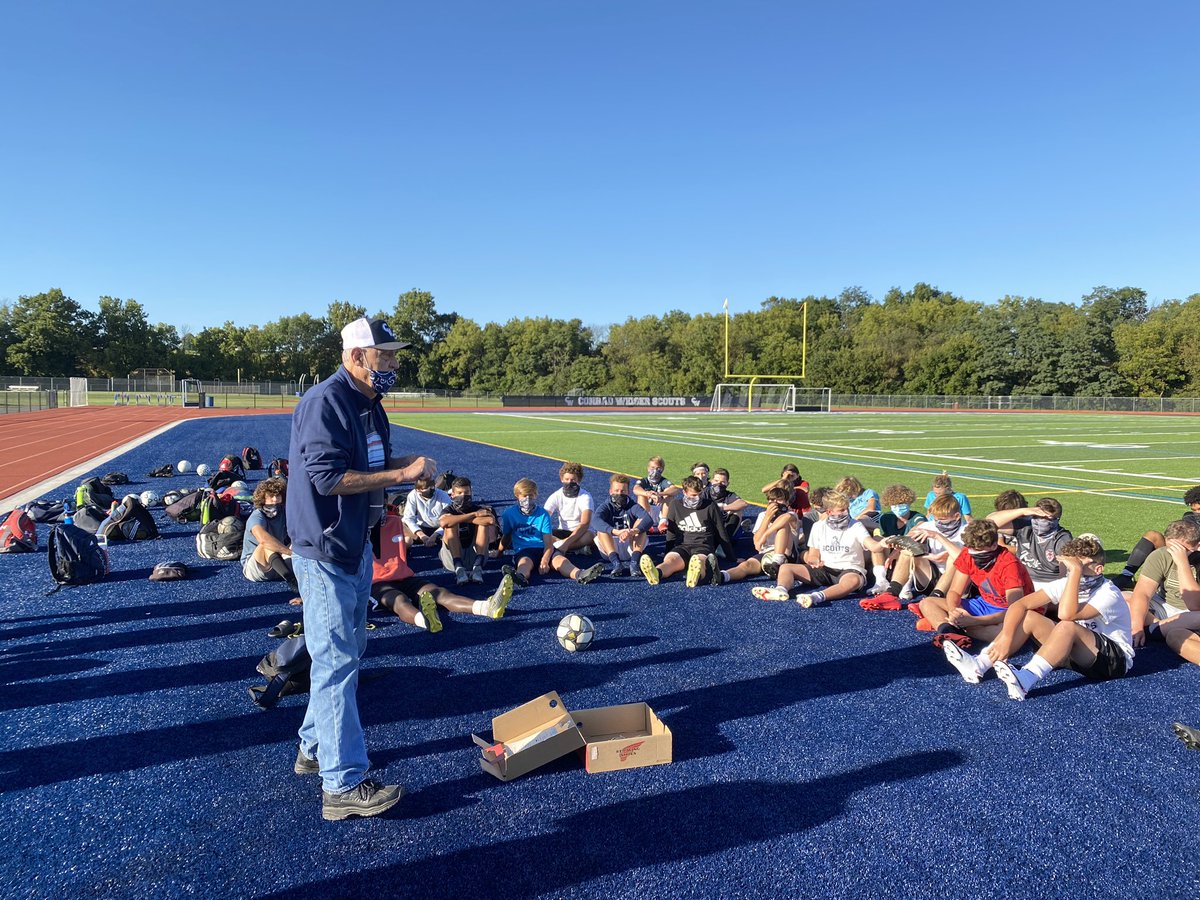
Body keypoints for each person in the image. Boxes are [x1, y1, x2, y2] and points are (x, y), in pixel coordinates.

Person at [288, 316, 435, 821]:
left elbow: (373, 464)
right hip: (326, 551)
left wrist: (403, 467)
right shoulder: (326, 401)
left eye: (395, 355)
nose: (393, 364)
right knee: (335, 662)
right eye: (385, 356)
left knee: (347, 653)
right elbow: (328, 479)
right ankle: (342, 785)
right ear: (356, 357)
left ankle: (313, 748)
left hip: (354, 546)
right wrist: (400, 473)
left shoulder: (370, 404)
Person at [941, 536, 1135, 700]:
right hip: (1077, 653)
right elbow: (1019, 605)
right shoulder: (1066, 583)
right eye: (1068, 566)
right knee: (1029, 617)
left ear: (1098, 569)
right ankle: (980, 664)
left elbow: (1067, 615)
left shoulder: (1109, 593)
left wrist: (1075, 572)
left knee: (1066, 626)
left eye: (1076, 566)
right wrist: (1007, 636)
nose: (1070, 570)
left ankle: (1026, 678)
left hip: (1113, 661)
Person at [371, 503, 512, 631]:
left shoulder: (396, 522)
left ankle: (486, 607)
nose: (382, 512)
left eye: (383, 507)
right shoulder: (358, 529)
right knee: (399, 600)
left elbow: (411, 537)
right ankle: (425, 620)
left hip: (404, 576)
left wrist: (421, 535)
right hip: (374, 582)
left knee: (440, 593)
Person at [752, 490, 887, 606]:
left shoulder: (855, 525)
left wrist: (883, 543)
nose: (846, 512)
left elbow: (872, 545)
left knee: (853, 580)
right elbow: (813, 554)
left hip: (849, 569)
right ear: (829, 511)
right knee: (786, 568)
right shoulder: (818, 526)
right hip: (825, 569)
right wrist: (814, 561)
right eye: (841, 510)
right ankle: (781, 590)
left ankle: (817, 597)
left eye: (846, 509)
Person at [917, 518, 1034, 650]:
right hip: (984, 604)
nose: (975, 556)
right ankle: (950, 631)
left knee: (999, 633)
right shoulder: (968, 554)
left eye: (980, 551)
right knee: (927, 603)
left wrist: (974, 621)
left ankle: (949, 626)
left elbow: (1015, 610)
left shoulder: (1009, 564)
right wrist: (954, 611)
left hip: (1009, 610)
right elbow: (955, 591)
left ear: (994, 545)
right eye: (972, 551)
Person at [499, 478, 604, 586]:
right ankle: (520, 577)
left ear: (535, 495)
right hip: (525, 550)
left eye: (531, 495)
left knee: (561, 561)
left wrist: (545, 560)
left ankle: (579, 574)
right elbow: (507, 536)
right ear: (517, 496)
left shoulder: (543, 514)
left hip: (544, 548)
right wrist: (499, 552)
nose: (528, 499)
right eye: (524, 496)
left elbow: (548, 543)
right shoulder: (509, 514)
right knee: (524, 563)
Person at [1124, 519, 1200, 662]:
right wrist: (1136, 625)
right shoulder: (1161, 554)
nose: (1173, 552)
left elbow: (1195, 605)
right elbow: (1143, 593)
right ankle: (1159, 628)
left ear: (1197, 546)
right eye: (1171, 547)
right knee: (1123, 598)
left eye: (1180, 549)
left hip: (1193, 614)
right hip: (1164, 608)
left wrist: (1182, 562)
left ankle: (1154, 631)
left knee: (1175, 636)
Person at [640, 475, 735, 588]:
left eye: (700, 494)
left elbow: (721, 532)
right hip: (682, 546)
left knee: (700, 561)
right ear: (684, 492)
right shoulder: (675, 505)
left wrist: (731, 556)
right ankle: (656, 573)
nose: (698, 498)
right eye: (694, 495)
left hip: (703, 546)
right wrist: (668, 552)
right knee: (671, 561)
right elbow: (671, 532)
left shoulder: (710, 505)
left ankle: (695, 576)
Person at [860, 483, 933, 611]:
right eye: (895, 505)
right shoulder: (886, 518)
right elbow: (883, 538)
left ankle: (906, 584)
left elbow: (917, 530)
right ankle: (881, 580)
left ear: (909, 502)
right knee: (878, 540)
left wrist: (896, 550)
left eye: (901, 504)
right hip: (890, 558)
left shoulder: (917, 517)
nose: (898, 508)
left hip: (910, 558)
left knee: (910, 545)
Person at [719, 486, 800, 584]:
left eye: (779, 500)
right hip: (767, 553)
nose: (775, 503)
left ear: (787, 503)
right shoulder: (763, 515)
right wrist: (767, 518)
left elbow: (785, 518)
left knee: (783, 526)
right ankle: (723, 576)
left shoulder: (791, 514)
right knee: (746, 565)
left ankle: (778, 559)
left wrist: (766, 535)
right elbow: (757, 542)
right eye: (772, 500)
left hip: (787, 554)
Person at [240, 476, 300, 605]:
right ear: (262, 498)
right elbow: (263, 538)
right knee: (266, 544)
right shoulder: (257, 516)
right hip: (257, 568)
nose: (274, 499)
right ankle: (292, 580)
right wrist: (290, 553)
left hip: (278, 561)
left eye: (278, 496)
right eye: (270, 496)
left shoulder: (283, 512)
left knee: (301, 541)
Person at [437, 476, 497, 585]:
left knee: (483, 524)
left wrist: (465, 518)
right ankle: (459, 568)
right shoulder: (449, 509)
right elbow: (443, 523)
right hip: (451, 559)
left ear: (471, 493)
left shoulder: (478, 507)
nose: (463, 496)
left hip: (474, 554)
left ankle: (477, 568)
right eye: (459, 493)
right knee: (451, 525)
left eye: (467, 492)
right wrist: (474, 515)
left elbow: (490, 520)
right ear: (453, 495)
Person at [593, 474, 653, 577]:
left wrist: (632, 531)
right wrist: (615, 532)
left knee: (641, 527)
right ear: (610, 491)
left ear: (628, 492)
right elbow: (595, 521)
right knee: (601, 530)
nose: (619, 494)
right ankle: (616, 564)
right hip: (610, 547)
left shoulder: (633, 506)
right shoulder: (606, 506)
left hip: (630, 545)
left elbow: (648, 519)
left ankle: (634, 563)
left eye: (623, 491)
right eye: (616, 491)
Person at [543, 462, 595, 554]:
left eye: (573, 480)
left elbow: (585, 523)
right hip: (563, 532)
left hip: (581, 533)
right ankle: (576, 548)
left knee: (591, 536)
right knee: (541, 533)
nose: (569, 483)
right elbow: (544, 517)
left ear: (579, 480)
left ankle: (561, 546)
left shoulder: (585, 496)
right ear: (561, 479)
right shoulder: (556, 495)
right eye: (566, 479)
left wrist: (566, 543)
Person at [400, 475, 451, 549]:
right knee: (400, 523)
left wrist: (436, 534)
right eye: (425, 488)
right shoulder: (413, 495)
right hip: (422, 529)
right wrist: (421, 535)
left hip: (440, 529)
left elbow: (448, 519)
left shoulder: (443, 495)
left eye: (431, 487)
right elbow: (408, 518)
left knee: (453, 525)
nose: (430, 489)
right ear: (417, 490)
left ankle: (437, 539)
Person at [633, 456, 678, 533]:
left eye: (658, 468)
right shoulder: (644, 481)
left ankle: (663, 522)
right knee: (641, 495)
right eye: (652, 468)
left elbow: (675, 489)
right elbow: (636, 489)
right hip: (648, 511)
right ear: (648, 468)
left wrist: (659, 494)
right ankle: (646, 522)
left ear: (662, 469)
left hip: (661, 511)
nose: (655, 471)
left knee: (669, 495)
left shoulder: (663, 481)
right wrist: (648, 494)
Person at [707, 468, 748, 538]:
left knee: (737, 511)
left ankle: (726, 539)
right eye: (716, 481)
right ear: (711, 481)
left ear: (727, 483)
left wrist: (722, 508)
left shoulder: (729, 495)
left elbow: (743, 503)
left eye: (723, 482)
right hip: (707, 524)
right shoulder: (705, 493)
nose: (719, 484)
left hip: (723, 525)